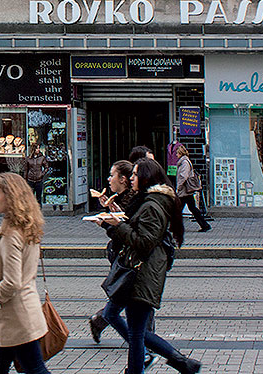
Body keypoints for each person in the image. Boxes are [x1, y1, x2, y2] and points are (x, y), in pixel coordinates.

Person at [100, 158, 200, 374]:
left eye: (135, 175)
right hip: (141, 273)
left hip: (141, 273)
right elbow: (136, 230)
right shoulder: (148, 201)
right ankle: (181, 364)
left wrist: (118, 225)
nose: (131, 179)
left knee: (136, 331)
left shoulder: (153, 205)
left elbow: (144, 242)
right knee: (136, 331)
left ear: (146, 178)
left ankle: (181, 362)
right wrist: (115, 222)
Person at [0, 172, 49, 374]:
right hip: (19, 314)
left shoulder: (12, 233)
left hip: (17, 317)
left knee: (34, 369)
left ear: (10, 197)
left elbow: (12, 282)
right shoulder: (25, 226)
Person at [89, 160, 136, 345]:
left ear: (123, 179)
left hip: (128, 255)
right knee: (132, 299)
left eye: (112, 175)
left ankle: (100, 321)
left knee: (129, 298)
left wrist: (107, 223)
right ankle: (143, 341)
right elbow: (122, 231)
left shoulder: (132, 200)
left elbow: (127, 229)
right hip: (123, 254)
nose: (109, 179)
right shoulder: (118, 199)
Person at [173, 144, 211, 232]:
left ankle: (175, 227)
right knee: (192, 208)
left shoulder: (184, 162)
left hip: (184, 190)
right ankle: (204, 225)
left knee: (178, 209)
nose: (176, 155)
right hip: (186, 190)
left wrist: (178, 187)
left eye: (177, 153)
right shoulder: (184, 161)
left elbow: (183, 176)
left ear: (181, 153)